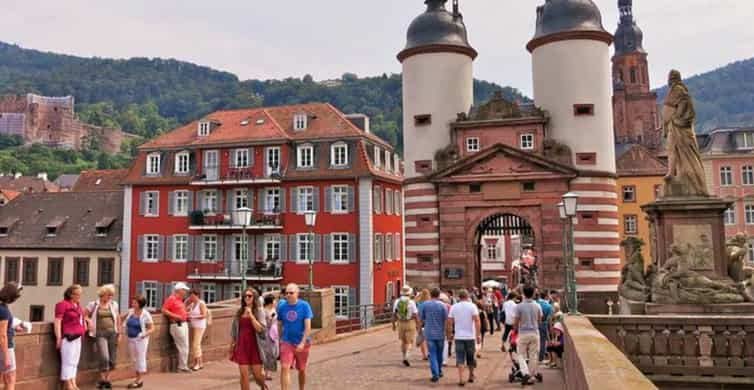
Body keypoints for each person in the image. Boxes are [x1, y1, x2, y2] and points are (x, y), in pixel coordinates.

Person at [230, 288, 268, 390]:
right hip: (242, 345)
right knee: (243, 375)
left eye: (249, 296)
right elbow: (234, 331)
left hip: (255, 346)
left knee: (257, 376)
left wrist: (251, 316)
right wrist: (232, 346)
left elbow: (261, 329)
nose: (247, 298)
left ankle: (263, 387)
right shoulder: (239, 312)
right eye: (245, 296)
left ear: (254, 298)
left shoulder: (259, 311)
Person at [85, 284, 121, 389]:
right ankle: (102, 379)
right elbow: (84, 315)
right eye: (108, 295)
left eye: (111, 295)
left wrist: (120, 334)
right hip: (100, 334)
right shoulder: (93, 304)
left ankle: (106, 380)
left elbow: (118, 319)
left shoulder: (114, 304)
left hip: (112, 333)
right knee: (104, 357)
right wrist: (89, 322)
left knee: (112, 359)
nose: (110, 297)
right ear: (102, 294)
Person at [278, 283, 313, 390]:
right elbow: (279, 324)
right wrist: (279, 339)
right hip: (287, 341)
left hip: (302, 342)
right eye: (286, 293)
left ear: (297, 293)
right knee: (284, 367)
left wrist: (302, 343)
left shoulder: (304, 306)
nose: (288, 295)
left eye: (291, 293)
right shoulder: (282, 306)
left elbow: (308, 327)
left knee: (301, 369)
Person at [55, 285, 86, 390]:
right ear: (70, 294)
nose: (79, 296)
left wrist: (88, 322)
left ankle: (73, 382)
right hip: (68, 337)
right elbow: (58, 321)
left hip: (78, 336)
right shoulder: (62, 305)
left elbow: (82, 318)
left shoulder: (78, 305)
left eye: (80, 294)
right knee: (67, 361)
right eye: (77, 294)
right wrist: (59, 337)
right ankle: (68, 384)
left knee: (74, 361)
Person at [447, 289, 481, 387]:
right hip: (470, 336)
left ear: (459, 297)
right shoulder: (472, 306)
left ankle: (461, 378)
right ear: (467, 297)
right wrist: (478, 335)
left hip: (459, 336)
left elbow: (449, 321)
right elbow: (477, 320)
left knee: (460, 358)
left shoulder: (454, 307)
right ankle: (471, 375)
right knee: (470, 357)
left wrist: (450, 334)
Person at [123, 294, 154, 389]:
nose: (132, 303)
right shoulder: (131, 312)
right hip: (131, 338)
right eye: (133, 302)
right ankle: (137, 378)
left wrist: (143, 334)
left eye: (135, 302)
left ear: (140, 304)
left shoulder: (145, 314)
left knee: (141, 358)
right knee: (134, 359)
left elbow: (152, 328)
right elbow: (120, 317)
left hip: (141, 340)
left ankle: (139, 380)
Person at [515, 285, 543, 385]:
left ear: (523, 293)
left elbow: (516, 321)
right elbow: (540, 320)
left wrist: (515, 330)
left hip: (523, 333)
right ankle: (531, 376)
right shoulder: (538, 306)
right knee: (533, 355)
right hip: (534, 332)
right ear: (533, 294)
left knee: (521, 354)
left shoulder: (519, 306)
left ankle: (525, 372)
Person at [418, 288, 448, 383]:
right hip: (440, 333)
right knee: (440, 353)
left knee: (432, 354)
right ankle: (439, 370)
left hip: (429, 333)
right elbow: (446, 320)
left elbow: (421, 319)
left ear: (430, 295)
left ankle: (435, 373)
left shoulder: (425, 305)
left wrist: (419, 331)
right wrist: (448, 332)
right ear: (439, 295)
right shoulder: (443, 305)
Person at [162, 282, 191, 373]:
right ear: (179, 290)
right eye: (184, 290)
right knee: (182, 346)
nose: (185, 292)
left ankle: (183, 366)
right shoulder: (172, 299)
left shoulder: (180, 300)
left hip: (183, 323)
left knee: (185, 346)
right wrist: (175, 316)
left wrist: (186, 313)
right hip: (177, 324)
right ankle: (182, 367)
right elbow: (164, 310)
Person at [0, 283, 21, 390]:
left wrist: (13, 327)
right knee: (10, 378)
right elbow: (2, 335)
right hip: (5, 347)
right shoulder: (3, 310)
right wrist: (6, 356)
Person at [392, 286, 418, 367]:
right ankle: (407, 356)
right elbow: (415, 314)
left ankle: (403, 357)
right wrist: (418, 324)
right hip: (410, 322)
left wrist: (393, 324)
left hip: (400, 323)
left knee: (403, 342)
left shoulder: (397, 301)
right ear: (409, 293)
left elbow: (394, 314)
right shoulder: (411, 302)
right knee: (410, 341)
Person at [187, 289, 208, 371]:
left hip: (200, 326)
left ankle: (197, 363)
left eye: (192, 296)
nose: (191, 298)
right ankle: (200, 363)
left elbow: (204, 315)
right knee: (196, 344)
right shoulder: (192, 304)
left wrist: (193, 317)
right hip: (193, 326)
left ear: (197, 296)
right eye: (190, 296)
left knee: (196, 344)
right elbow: (185, 310)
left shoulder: (201, 303)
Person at [262, 295, 279, 380]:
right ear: (270, 301)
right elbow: (264, 323)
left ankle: (269, 371)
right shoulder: (264, 311)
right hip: (267, 333)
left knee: (274, 353)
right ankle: (266, 372)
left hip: (274, 333)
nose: (275, 302)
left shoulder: (273, 309)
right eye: (274, 300)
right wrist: (270, 318)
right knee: (267, 353)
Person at [536, 292, 553, 363]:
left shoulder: (536, 303)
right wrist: (551, 327)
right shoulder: (548, 306)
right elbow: (549, 318)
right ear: (546, 297)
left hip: (534, 324)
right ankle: (540, 358)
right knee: (542, 342)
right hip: (543, 324)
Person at [415, 288, 431, 360]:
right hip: (429, 323)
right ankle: (429, 353)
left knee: (422, 340)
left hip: (421, 323)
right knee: (429, 340)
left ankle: (424, 355)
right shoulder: (430, 302)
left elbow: (417, 314)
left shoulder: (419, 303)